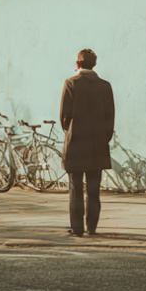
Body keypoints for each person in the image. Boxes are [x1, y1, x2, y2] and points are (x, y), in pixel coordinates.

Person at [60, 48, 114, 237]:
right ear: (94, 65)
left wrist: (71, 132)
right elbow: (110, 118)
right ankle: (92, 226)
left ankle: (77, 228)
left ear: (78, 64)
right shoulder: (105, 86)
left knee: (75, 187)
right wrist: (103, 137)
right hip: (97, 143)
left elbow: (65, 116)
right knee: (93, 187)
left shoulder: (71, 84)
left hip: (76, 142)